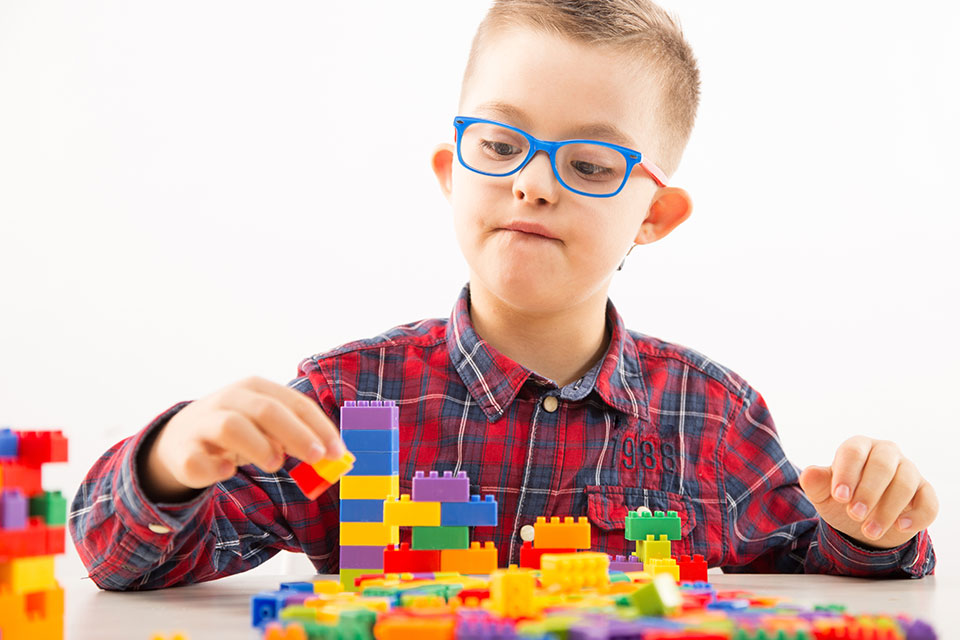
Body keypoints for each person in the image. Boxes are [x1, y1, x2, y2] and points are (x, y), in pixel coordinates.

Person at [70, 0, 937, 590]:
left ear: (656, 217)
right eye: (499, 144)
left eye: (591, 165)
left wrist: (872, 528)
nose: (532, 184)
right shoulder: (349, 399)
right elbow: (122, 563)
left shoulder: (714, 418)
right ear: (452, 174)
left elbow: (821, 571)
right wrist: (169, 463)